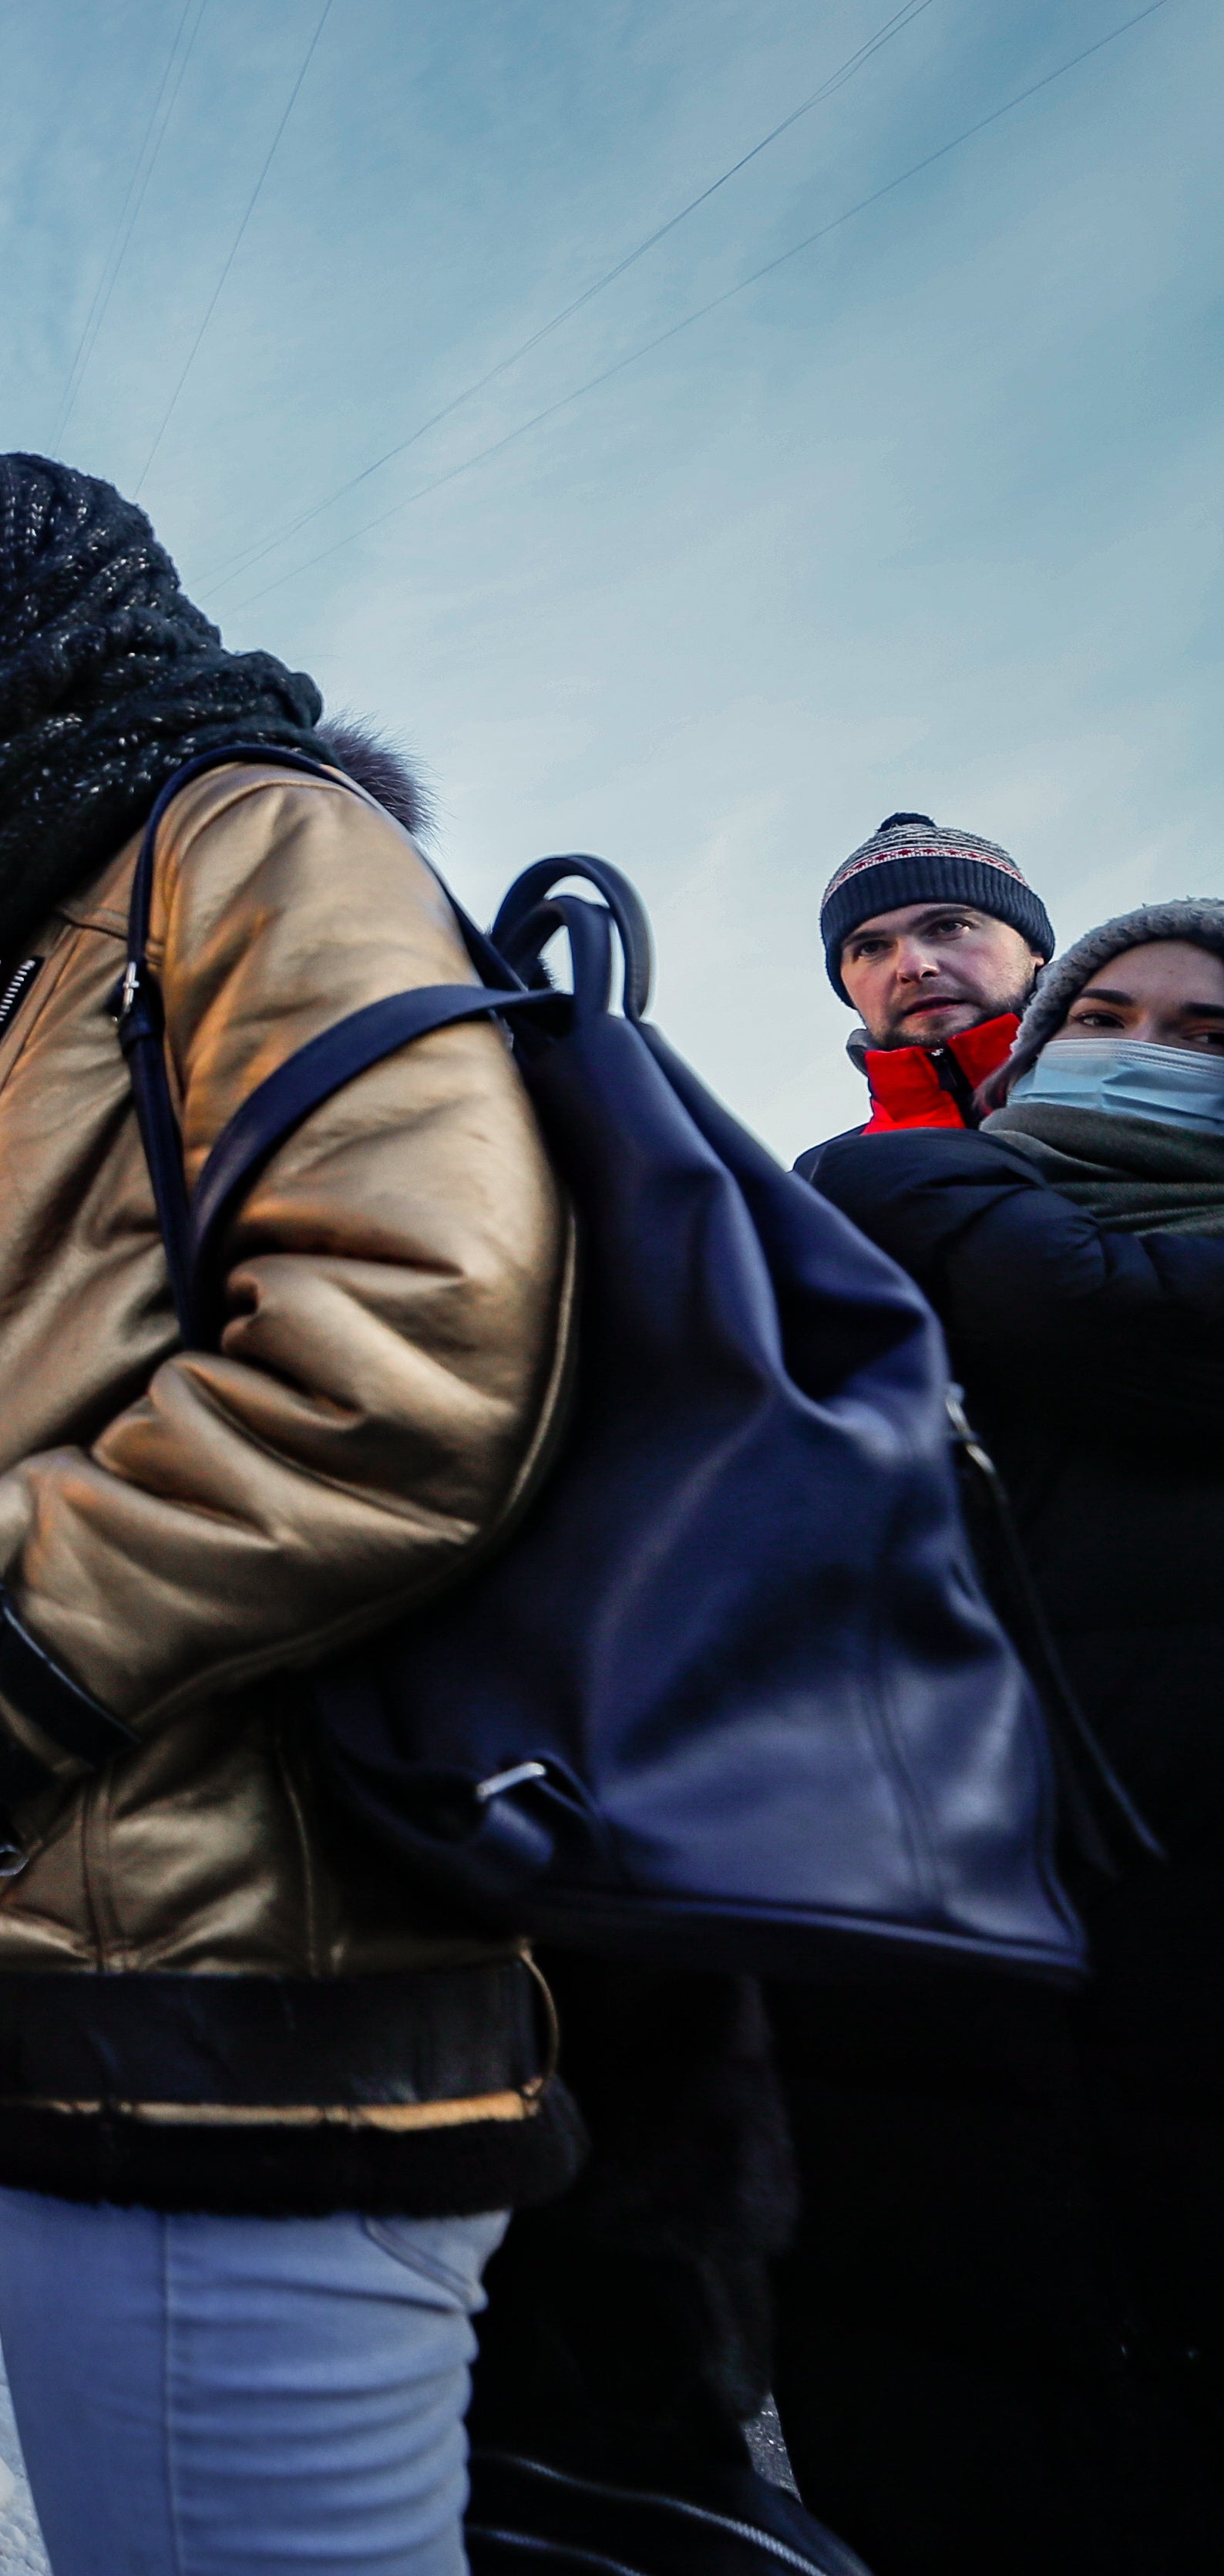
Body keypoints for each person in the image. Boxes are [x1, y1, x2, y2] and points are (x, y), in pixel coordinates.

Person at [0, 449, 573, 2576]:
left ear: (72, 611)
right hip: (119, 2000)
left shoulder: (239, 834)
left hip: (236, 2021)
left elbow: (403, 1352)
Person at [782, 899, 1224, 2572]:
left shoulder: (895, 1199)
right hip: (939, 2019)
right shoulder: (864, 1201)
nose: (1151, 1054)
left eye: (1206, 1036)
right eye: (1112, 1018)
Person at [815, 811, 1054, 1140]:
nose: (913, 967)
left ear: (1033, 947)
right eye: (871, 948)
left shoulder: (1143, 1101)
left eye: (949, 927)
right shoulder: (819, 1184)